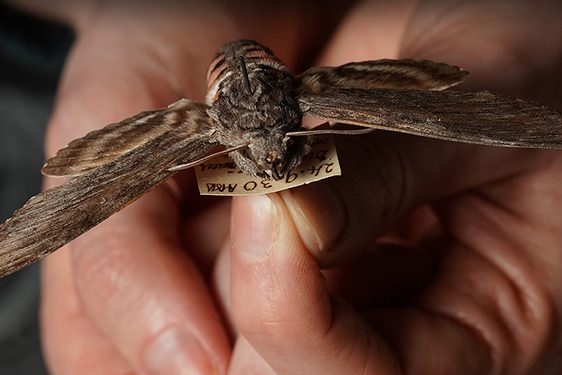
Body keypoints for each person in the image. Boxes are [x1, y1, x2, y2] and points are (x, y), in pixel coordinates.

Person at [11, 0, 562, 373]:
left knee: (446, 122)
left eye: (285, 144)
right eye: (260, 154)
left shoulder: (308, 101)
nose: (274, 161)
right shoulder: (203, 131)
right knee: (93, 204)